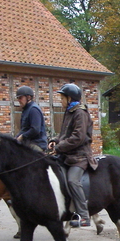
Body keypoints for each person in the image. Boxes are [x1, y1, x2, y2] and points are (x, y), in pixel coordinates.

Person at [50, 83, 97, 227]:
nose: (61, 101)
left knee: (72, 181)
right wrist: (54, 141)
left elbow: (78, 137)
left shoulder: (80, 113)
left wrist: (59, 147)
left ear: (69, 98)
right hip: (67, 154)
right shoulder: (69, 111)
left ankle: (84, 216)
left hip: (80, 156)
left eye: (62, 98)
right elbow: (65, 134)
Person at [15, 86, 48, 152]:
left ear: (28, 97)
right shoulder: (26, 110)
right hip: (29, 142)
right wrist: (14, 139)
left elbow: (35, 129)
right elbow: (24, 129)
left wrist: (22, 137)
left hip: (37, 144)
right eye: (18, 98)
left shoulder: (33, 110)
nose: (19, 100)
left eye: (20, 98)